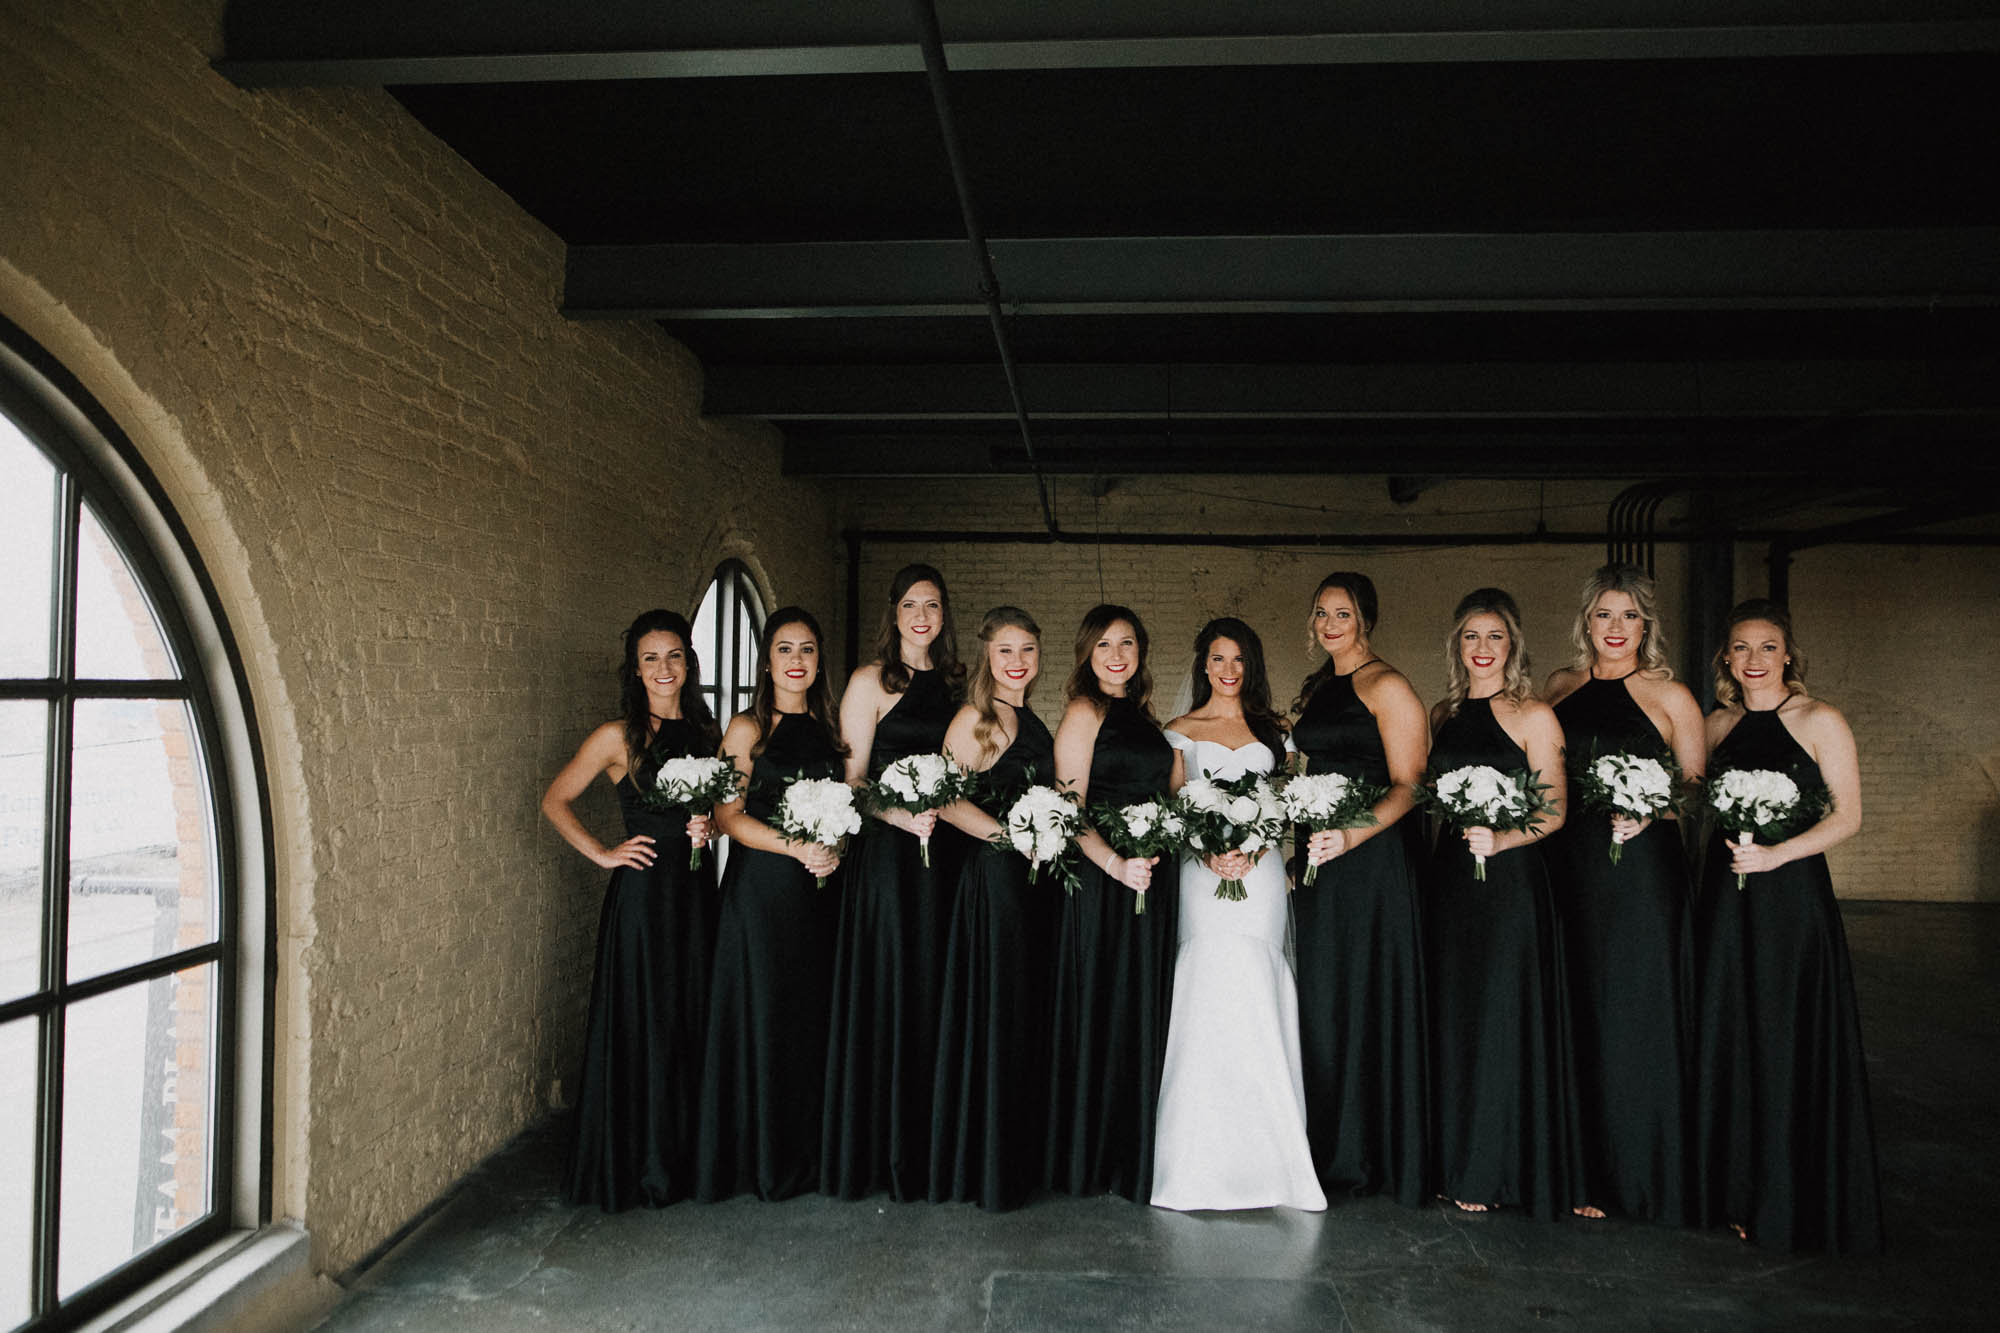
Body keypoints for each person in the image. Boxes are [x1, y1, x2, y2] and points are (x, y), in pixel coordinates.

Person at [1692, 599, 1882, 1253]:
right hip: (1726, 895)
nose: (1752, 660)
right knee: (1729, 1029)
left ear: (1789, 655)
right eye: (1740, 648)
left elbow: (1848, 816)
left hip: (1789, 897)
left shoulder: (1820, 719)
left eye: (1766, 646)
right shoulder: (1717, 724)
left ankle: (1786, 1193)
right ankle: (1733, 1190)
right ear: (1726, 658)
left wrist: (1776, 854)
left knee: (1781, 1034)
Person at [1543, 563, 1705, 1224]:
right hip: (1570, 865)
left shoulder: (1672, 697)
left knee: (1635, 1013)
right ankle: (1580, 1171)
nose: (1616, 628)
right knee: (1576, 1008)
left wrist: (1652, 807)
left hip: (1642, 873)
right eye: (1604, 614)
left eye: (1629, 616)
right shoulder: (1559, 687)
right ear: (1587, 621)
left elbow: (1695, 786)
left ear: (1646, 625)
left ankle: (1641, 1176)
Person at [541, 610, 719, 1210]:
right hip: (644, 895)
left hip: (695, 895)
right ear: (635, 670)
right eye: (651, 658)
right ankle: (641, 1165)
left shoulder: (704, 731)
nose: (663, 669)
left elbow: (718, 813)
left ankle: (684, 1158)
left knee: (688, 1014)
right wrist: (602, 853)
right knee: (646, 1018)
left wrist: (709, 828)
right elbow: (555, 799)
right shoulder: (615, 736)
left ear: (688, 664)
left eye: (673, 656)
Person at [1151, 618, 1326, 1212]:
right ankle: (1195, 1162)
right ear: (1203, 664)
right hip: (1203, 878)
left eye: (1239, 660)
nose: (1228, 670)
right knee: (1207, 992)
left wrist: (1256, 843)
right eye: (1218, 659)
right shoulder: (1178, 731)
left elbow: (1294, 801)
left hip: (1262, 877)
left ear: (1250, 666)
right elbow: (1173, 807)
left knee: (1258, 989)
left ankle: (1275, 1160)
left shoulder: (1278, 733)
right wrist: (1206, 848)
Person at [1424, 588, 1572, 1218]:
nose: (1482, 649)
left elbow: (1557, 810)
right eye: (1471, 637)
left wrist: (1505, 837)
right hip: (1452, 881)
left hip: (1510, 884)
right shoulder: (1442, 714)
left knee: (1502, 1019)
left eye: (1495, 637)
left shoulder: (1535, 714)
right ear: (1458, 646)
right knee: (1455, 1018)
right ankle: (1452, 1160)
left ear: (1512, 645)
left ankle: (1496, 1168)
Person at [824, 564, 967, 1201]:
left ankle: (933, 1143)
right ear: (894, 611)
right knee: (893, 983)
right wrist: (900, 813)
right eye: (910, 604)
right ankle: (883, 1150)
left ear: (943, 615)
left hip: (948, 851)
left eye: (932, 605)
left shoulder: (961, 686)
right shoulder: (869, 681)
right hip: (887, 854)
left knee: (937, 984)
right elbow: (851, 782)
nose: (921, 616)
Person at [1289, 572, 1431, 1207]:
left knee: (1365, 996)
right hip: (1322, 861)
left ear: (1364, 618)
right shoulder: (1322, 687)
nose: (1328, 623)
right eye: (1321, 613)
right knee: (1325, 1000)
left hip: (1370, 861)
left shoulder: (1388, 685)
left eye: (1340, 612)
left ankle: (1367, 1154)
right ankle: (1324, 1148)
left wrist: (1349, 835)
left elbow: (1409, 784)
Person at [696, 608, 847, 1202]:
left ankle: (808, 1153)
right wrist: (798, 845)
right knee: (765, 1014)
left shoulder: (832, 730)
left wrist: (831, 846)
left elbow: (845, 804)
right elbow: (727, 816)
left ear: (817, 662)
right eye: (785, 649)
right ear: (766, 660)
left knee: (810, 1017)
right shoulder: (746, 729)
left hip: (820, 891)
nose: (797, 660)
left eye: (808, 650)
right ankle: (760, 1158)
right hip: (761, 891)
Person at [1047, 604, 1179, 1201]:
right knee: (1103, 1005)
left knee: (1140, 1006)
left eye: (1127, 643)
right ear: (1087, 653)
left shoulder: (1147, 719)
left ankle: (1137, 1153)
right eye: (1104, 645)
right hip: (1104, 881)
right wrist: (1116, 865)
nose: (1117, 655)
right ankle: (1094, 1157)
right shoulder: (1085, 711)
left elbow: (1172, 796)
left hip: (1151, 876)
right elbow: (1067, 812)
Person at [929, 607, 1057, 1211]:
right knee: (999, 1008)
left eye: (1026, 650)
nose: (1016, 661)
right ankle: (989, 1166)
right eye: (1005, 650)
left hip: (1034, 882)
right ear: (987, 657)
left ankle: (1021, 1156)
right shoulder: (976, 718)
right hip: (996, 880)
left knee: (1025, 1007)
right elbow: (946, 801)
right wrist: (1010, 838)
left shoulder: (1028, 717)